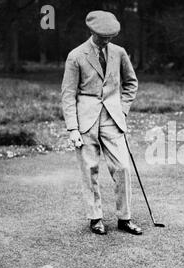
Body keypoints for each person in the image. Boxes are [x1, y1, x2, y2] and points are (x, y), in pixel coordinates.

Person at [61, 10, 142, 236]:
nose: (107, 40)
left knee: (123, 167)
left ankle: (124, 218)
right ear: (92, 31)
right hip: (85, 120)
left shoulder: (119, 53)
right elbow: (68, 94)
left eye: (111, 36)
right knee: (89, 170)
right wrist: (73, 128)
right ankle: (95, 218)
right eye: (102, 36)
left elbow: (131, 83)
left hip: (113, 119)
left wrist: (123, 110)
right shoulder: (76, 56)